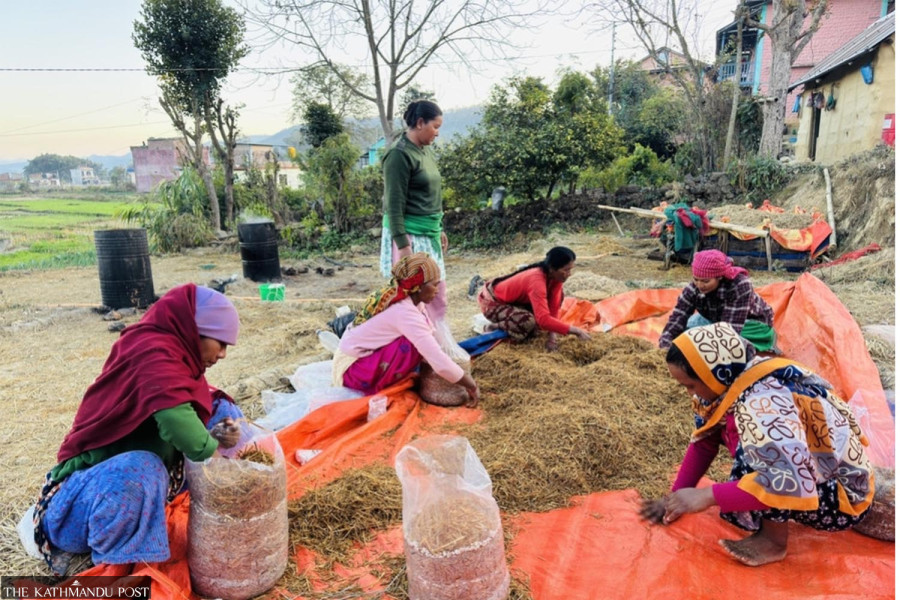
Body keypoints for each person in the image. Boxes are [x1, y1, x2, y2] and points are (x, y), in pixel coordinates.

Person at [24, 284, 244, 575]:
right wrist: (219, 464)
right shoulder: (149, 351)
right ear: (194, 331)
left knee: (223, 410)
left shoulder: (179, 361)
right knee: (143, 467)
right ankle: (111, 565)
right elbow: (177, 420)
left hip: (150, 484)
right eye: (221, 343)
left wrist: (222, 435)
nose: (224, 354)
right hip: (82, 504)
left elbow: (194, 408)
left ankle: (161, 502)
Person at [641, 322, 873, 567]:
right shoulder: (735, 381)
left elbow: (786, 479)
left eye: (690, 385)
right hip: (816, 476)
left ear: (715, 373)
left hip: (844, 497)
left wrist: (707, 495)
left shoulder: (763, 404)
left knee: (758, 458)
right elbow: (705, 443)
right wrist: (676, 498)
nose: (691, 394)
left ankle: (773, 542)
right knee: (752, 452)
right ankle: (763, 518)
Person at [332, 253, 479, 406]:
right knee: (412, 345)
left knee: (420, 339)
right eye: (434, 284)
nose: (437, 290)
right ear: (417, 287)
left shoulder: (411, 302)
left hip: (356, 357)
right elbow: (437, 360)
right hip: (352, 371)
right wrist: (471, 385)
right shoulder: (404, 312)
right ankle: (376, 384)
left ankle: (389, 375)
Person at [380, 99, 448, 323]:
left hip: (428, 231)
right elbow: (394, 205)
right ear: (420, 123)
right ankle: (417, 349)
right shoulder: (399, 155)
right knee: (417, 297)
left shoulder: (424, 151)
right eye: (435, 127)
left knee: (437, 293)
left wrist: (439, 228)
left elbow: (430, 196)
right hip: (410, 235)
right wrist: (404, 248)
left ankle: (435, 344)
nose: (437, 133)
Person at [658, 249, 777, 352]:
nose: (699, 285)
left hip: (751, 323)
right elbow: (678, 318)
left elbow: (730, 331)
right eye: (696, 279)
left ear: (719, 277)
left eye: (705, 281)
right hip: (717, 321)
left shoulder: (740, 286)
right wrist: (665, 346)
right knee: (687, 331)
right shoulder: (693, 289)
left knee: (729, 344)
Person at [477, 246, 592, 351]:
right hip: (493, 303)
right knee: (527, 321)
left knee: (555, 302)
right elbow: (543, 319)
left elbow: (553, 308)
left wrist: (552, 337)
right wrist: (576, 331)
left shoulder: (556, 278)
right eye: (566, 270)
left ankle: (514, 319)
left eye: (570, 269)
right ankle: (493, 327)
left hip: (517, 302)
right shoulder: (536, 280)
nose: (569, 274)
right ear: (552, 268)